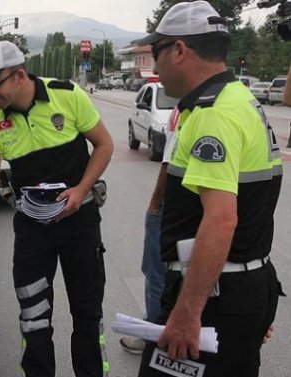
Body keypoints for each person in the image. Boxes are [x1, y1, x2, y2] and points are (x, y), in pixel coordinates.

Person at [0, 40, 113, 377]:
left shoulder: (66, 96)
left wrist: (81, 190)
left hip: (79, 225)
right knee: (34, 319)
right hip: (32, 232)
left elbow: (104, 144)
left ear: (19, 75)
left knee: (87, 314)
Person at [136, 2, 283, 376]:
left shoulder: (212, 113)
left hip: (215, 295)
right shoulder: (240, 100)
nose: (155, 67)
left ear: (180, 50)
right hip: (244, 283)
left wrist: (187, 312)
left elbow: (221, 220)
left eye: (157, 53)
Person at [120, 107, 179, 354]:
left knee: (156, 270)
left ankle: (153, 336)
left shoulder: (189, 108)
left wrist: (155, 204)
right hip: (195, 205)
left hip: (173, 205)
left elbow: (170, 160)